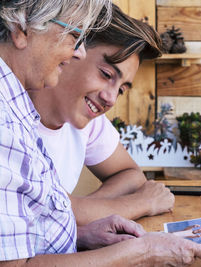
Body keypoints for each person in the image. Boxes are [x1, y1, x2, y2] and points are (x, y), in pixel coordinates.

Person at [0, 1, 201, 266]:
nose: (76, 52)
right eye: (74, 37)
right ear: (20, 29)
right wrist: (142, 249)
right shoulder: (8, 124)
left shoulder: (20, 110)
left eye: (122, 89)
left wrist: (74, 228)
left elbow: (37, 224)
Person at [31, 4, 174, 226]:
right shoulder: (13, 119)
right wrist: (142, 203)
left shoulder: (86, 120)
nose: (111, 99)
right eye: (106, 74)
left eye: (121, 89)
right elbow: (43, 214)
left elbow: (130, 174)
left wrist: (85, 210)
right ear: (72, 49)